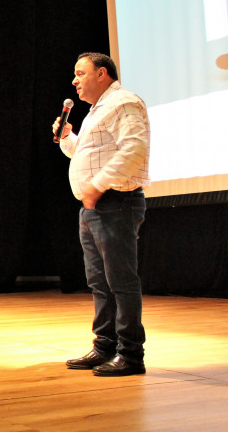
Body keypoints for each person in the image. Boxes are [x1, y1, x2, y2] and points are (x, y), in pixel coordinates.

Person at [54, 52, 150, 377]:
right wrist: (68, 137)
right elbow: (89, 154)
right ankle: (104, 346)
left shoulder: (123, 102)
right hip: (93, 207)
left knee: (121, 281)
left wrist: (97, 185)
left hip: (116, 203)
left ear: (102, 73)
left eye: (80, 73)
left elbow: (134, 149)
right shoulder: (97, 110)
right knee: (99, 282)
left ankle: (131, 355)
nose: (74, 80)